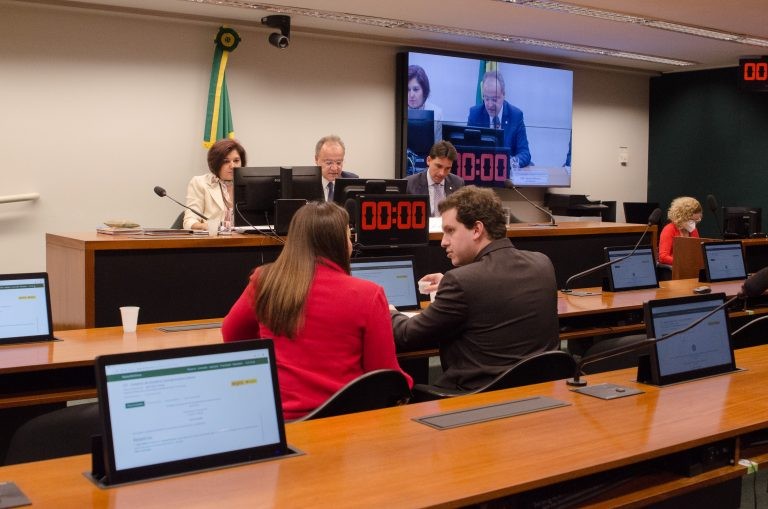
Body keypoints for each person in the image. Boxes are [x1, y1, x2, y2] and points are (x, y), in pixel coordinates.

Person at [222, 201, 413, 420]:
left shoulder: (264, 280)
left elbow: (231, 333)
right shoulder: (369, 294)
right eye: (349, 236)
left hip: (279, 421)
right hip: (344, 422)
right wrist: (409, 384)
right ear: (339, 243)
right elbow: (383, 374)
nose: (351, 243)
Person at [390, 186, 559, 390]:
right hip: (539, 392)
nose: (443, 242)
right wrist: (450, 288)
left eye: (450, 231)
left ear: (477, 230)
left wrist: (388, 311)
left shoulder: (461, 282)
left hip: (478, 397)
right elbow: (494, 290)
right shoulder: (542, 263)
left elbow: (407, 334)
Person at [467, 70, 531, 169]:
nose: (490, 105)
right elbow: (467, 149)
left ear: (504, 94)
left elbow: (525, 153)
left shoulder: (516, 115)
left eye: (494, 99)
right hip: (483, 169)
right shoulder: (475, 114)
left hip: (507, 172)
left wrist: (510, 163)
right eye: (486, 98)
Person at [183, 138, 246, 231]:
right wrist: (207, 226)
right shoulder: (200, 183)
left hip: (245, 238)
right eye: (226, 161)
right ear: (216, 163)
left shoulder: (248, 184)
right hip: (212, 238)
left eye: (236, 161)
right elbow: (189, 221)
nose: (232, 166)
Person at [405, 140, 464, 217]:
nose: (442, 173)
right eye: (438, 166)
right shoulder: (409, 184)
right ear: (428, 160)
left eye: (447, 168)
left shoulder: (457, 183)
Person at [658, 196, 702, 265]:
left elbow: (697, 253)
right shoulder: (669, 229)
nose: (694, 224)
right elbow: (663, 257)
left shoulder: (693, 230)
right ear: (681, 216)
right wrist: (684, 263)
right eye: (692, 220)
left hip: (690, 267)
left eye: (696, 220)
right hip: (675, 268)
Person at [315, 135, 358, 202]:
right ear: (316, 160)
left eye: (338, 163)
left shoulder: (352, 182)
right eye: (329, 163)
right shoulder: (306, 183)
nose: (334, 168)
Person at [407, 64, 443, 141]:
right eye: (407, 90)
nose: (411, 95)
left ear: (424, 90)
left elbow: (438, 145)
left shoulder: (437, 112)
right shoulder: (396, 111)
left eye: (416, 89)